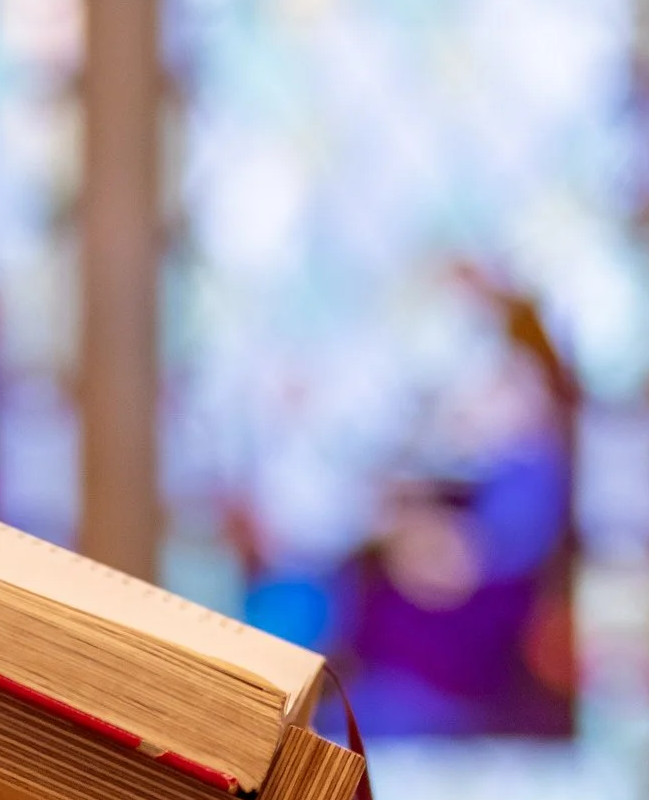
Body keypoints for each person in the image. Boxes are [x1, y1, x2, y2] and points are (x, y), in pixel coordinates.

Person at [239, 266, 580, 741]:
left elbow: (449, 566)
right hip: (375, 677)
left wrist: (392, 520)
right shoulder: (438, 445)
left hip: (433, 702)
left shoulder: (528, 478)